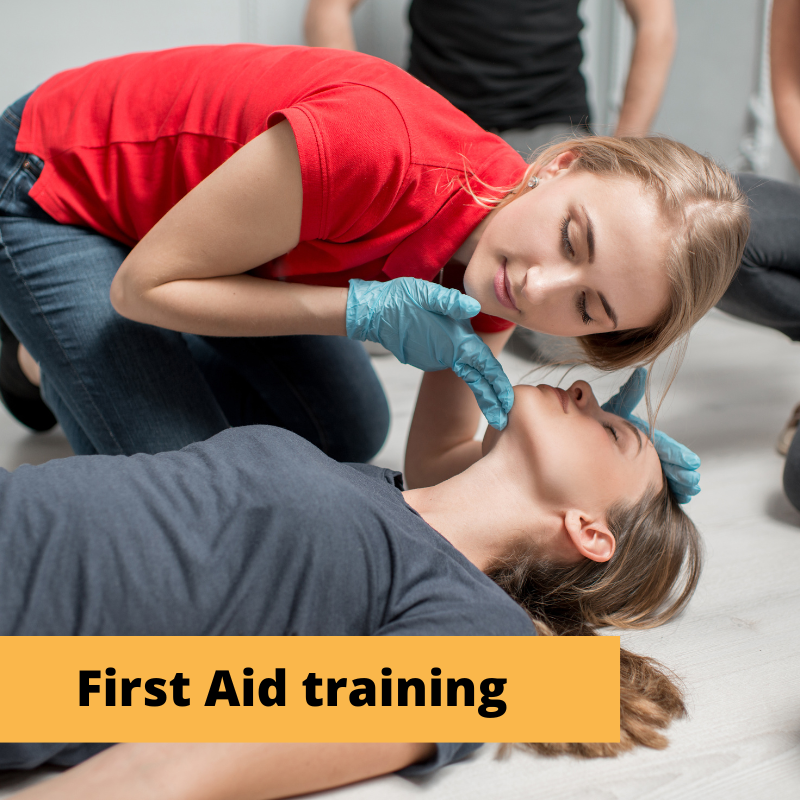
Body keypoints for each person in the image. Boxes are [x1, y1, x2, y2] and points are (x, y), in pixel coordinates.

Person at [0, 44, 747, 465]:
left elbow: (433, 466)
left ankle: (61, 349)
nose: (539, 282)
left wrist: (583, 463)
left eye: (587, 305)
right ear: (559, 166)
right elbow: (139, 290)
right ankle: (48, 350)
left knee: (348, 433)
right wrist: (362, 312)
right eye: (571, 238)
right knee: (191, 481)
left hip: (187, 241)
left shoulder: (499, 268)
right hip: (51, 184)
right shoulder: (375, 145)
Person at [3, 373, 700, 797]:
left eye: (613, 432)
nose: (583, 390)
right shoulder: (380, 489)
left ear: (590, 531)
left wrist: (542, 684)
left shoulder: (488, 640)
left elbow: (181, 763)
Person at [304, 0, 677, 152]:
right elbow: (327, 11)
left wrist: (626, 151)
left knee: (546, 287)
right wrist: (367, 124)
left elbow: (655, 24)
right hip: (435, 128)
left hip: (550, 128)